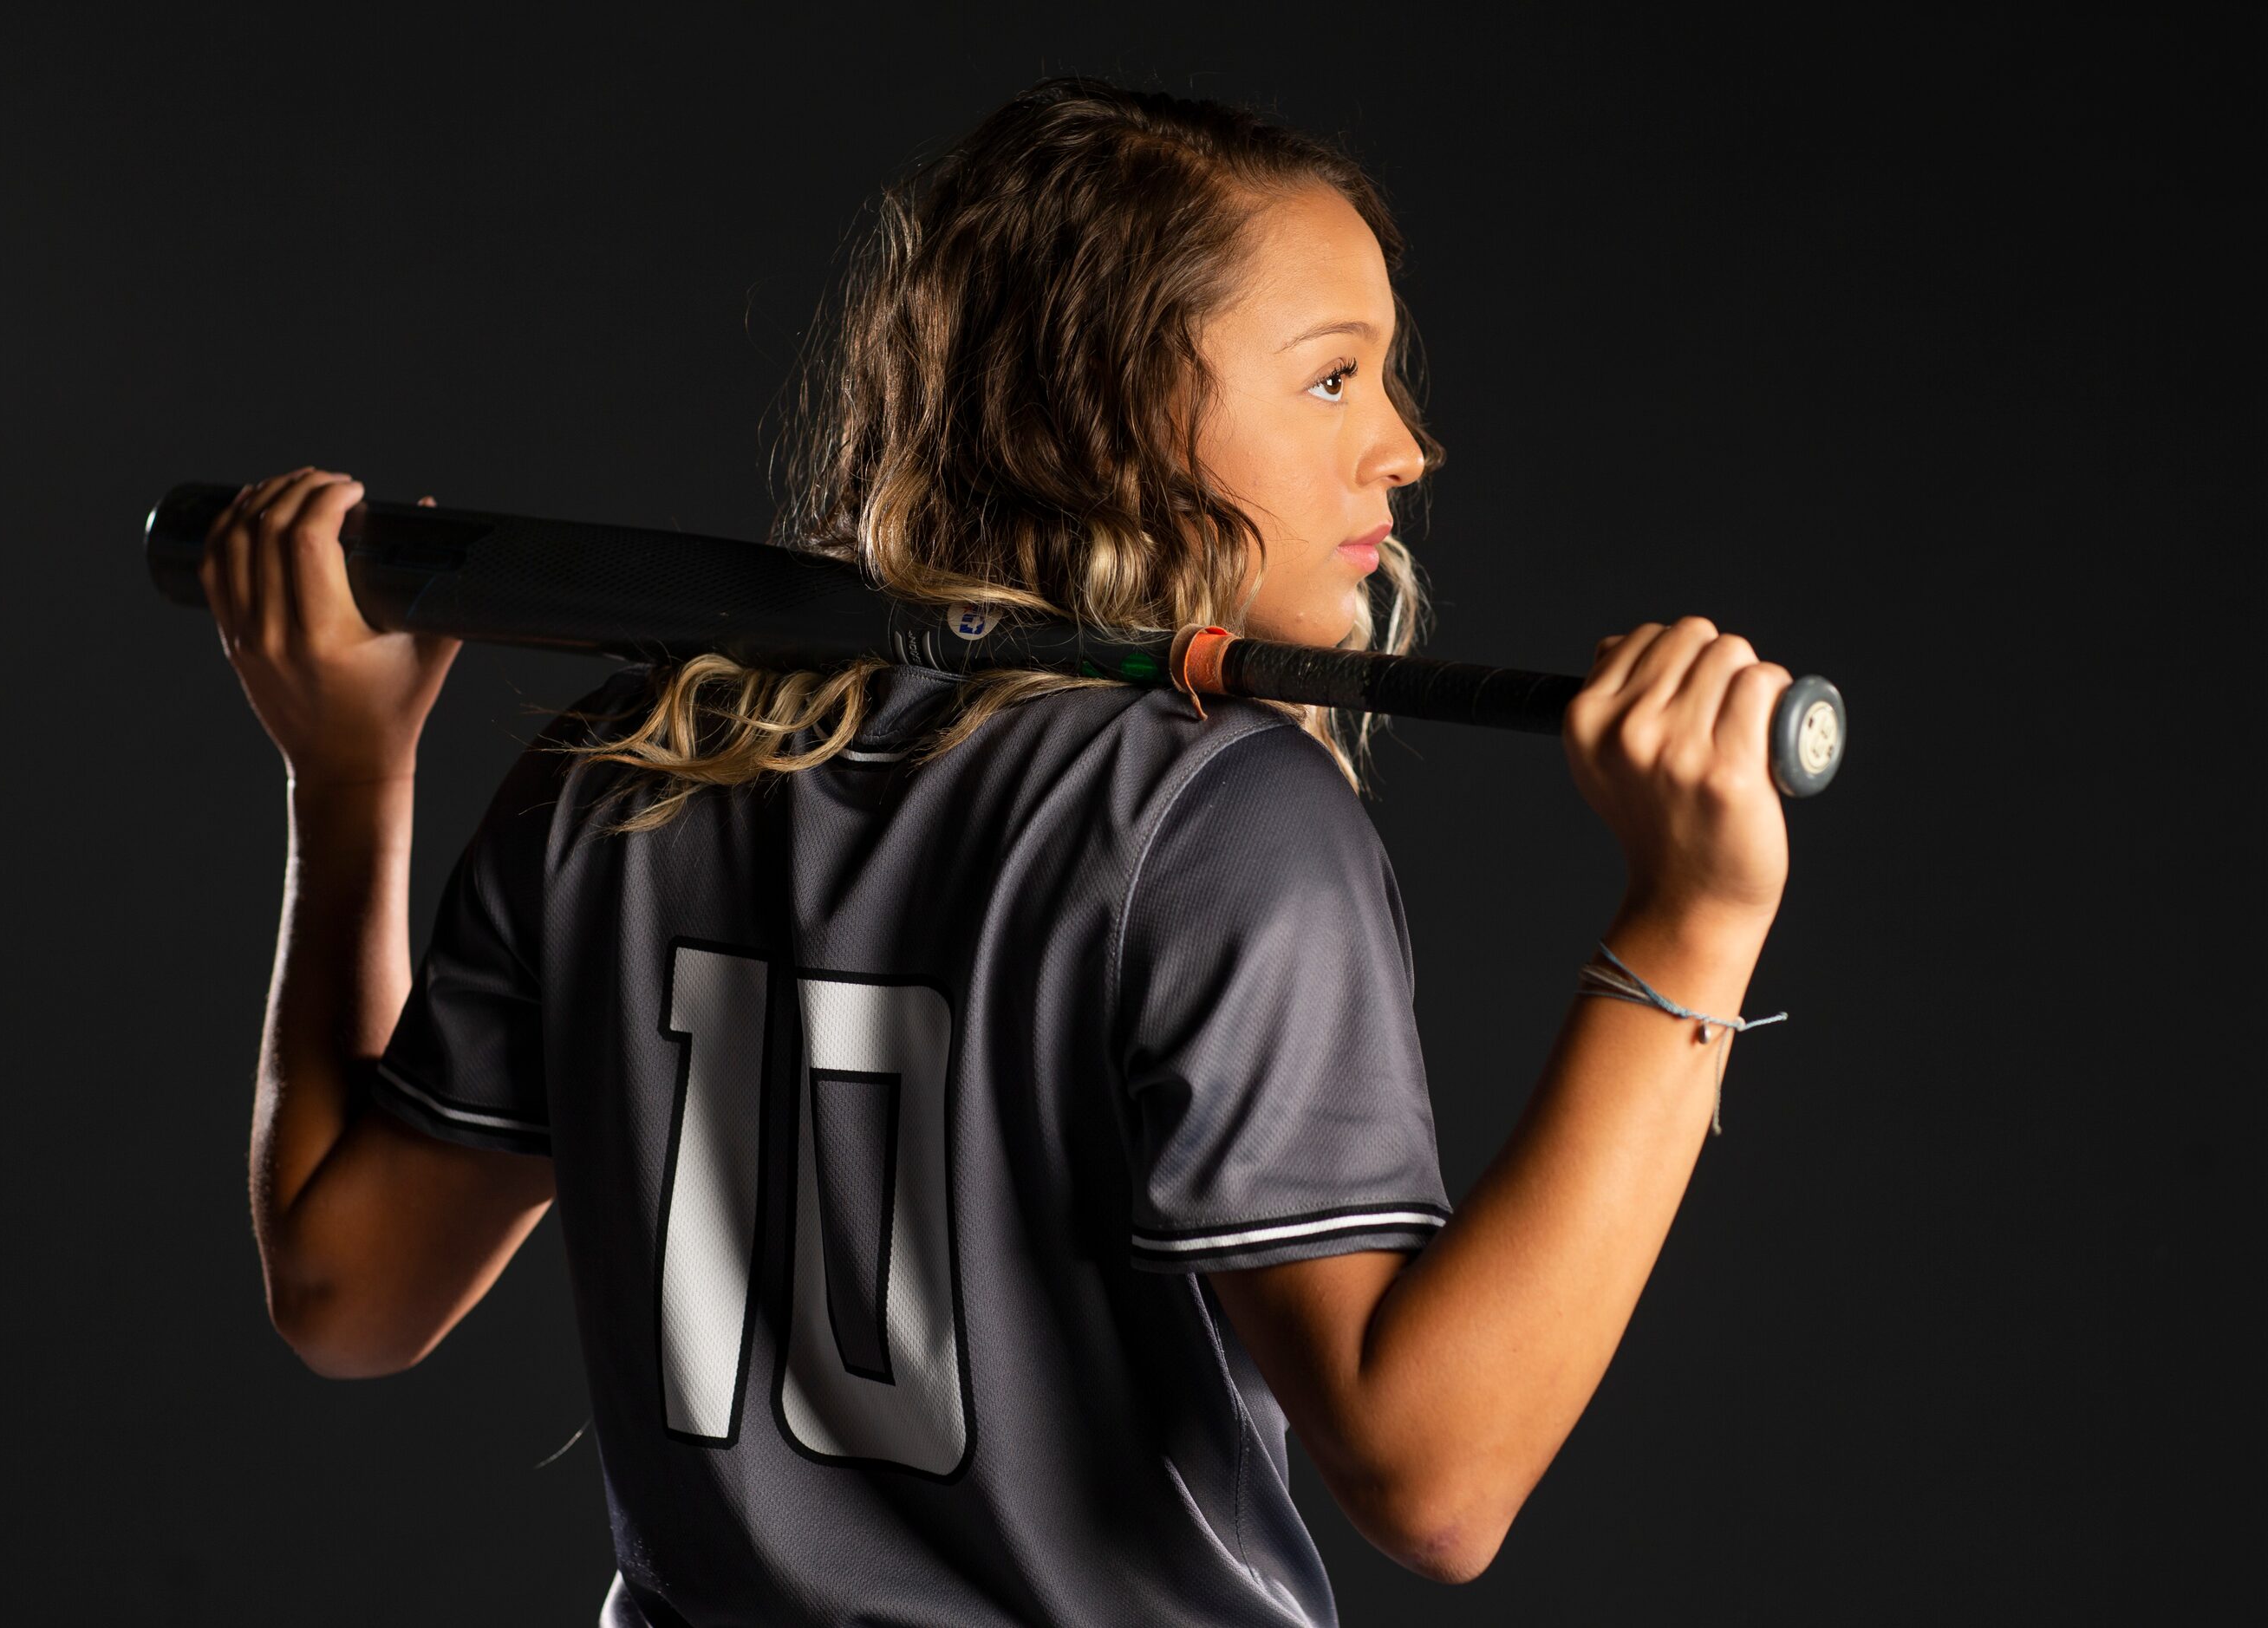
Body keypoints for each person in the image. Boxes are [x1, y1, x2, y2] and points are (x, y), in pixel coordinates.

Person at [199, 77, 1792, 1628]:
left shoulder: (627, 767)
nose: (1402, 447)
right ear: (1109, 419)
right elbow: (1434, 1477)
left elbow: (345, 1298)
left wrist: (350, 777)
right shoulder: (1224, 818)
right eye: (1330, 379)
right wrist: (1693, 918)